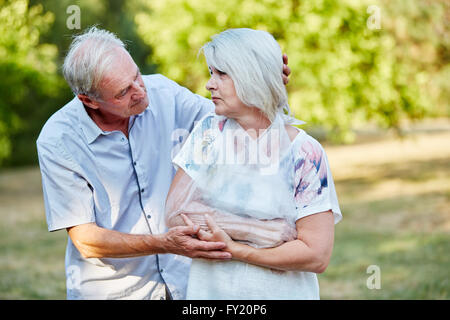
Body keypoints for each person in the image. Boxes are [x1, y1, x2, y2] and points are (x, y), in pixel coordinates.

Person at [36, 26, 291, 300]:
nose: (140, 92)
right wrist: (164, 243)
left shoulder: (164, 92)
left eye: (136, 76)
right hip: (116, 290)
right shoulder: (59, 140)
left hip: (185, 282)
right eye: (123, 92)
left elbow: (230, 119)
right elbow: (86, 240)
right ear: (88, 100)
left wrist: (259, 83)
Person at [165, 28, 342, 299]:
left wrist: (237, 249)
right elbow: (176, 214)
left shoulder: (304, 152)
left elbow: (315, 254)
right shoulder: (209, 133)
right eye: (211, 73)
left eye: (221, 74)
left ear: (253, 76)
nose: (209, 84)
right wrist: (261, 229)